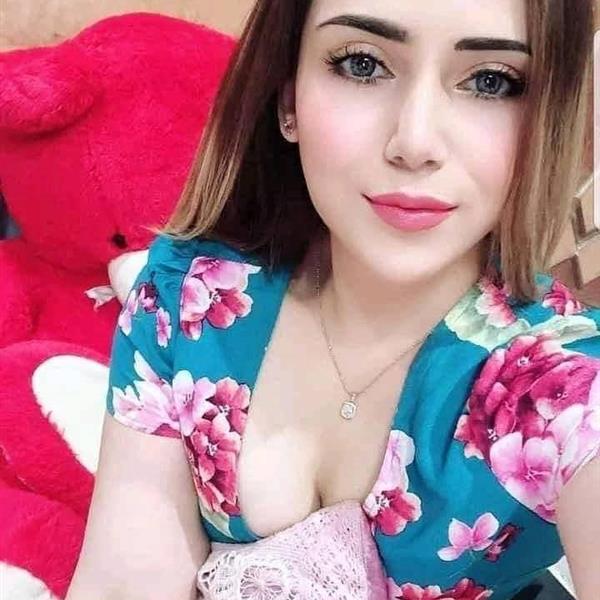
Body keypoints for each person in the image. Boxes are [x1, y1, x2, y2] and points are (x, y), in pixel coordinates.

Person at [66, 1, 600, 599]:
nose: (415, 143)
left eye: (491, 82)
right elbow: (122, 583)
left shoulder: (570, 389)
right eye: (362, 64)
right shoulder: (191, 298)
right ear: (287, 98)